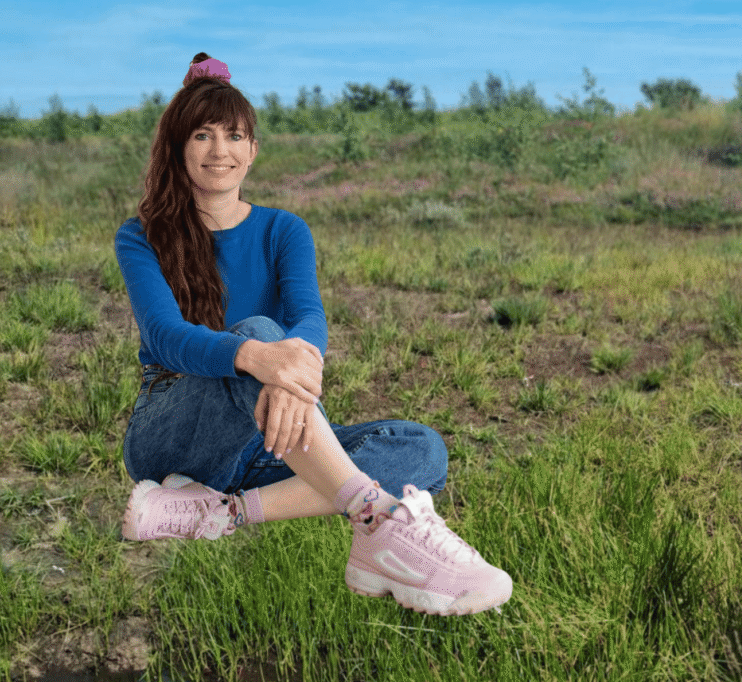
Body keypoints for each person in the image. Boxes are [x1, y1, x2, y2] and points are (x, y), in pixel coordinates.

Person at [115, 53, 511, 616]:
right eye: (202, 135)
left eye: (234, 135)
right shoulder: (141, 236)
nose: (219, 150)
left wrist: (284, 369)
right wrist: (260, 356)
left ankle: (220, 513)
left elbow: (310, 320)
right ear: (178, 147)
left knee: (421, 450)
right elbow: (168, 335)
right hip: (174, 429)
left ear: (253, 151)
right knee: (257, 332)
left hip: (265, 434)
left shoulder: (283, 229)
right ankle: (375, 517)